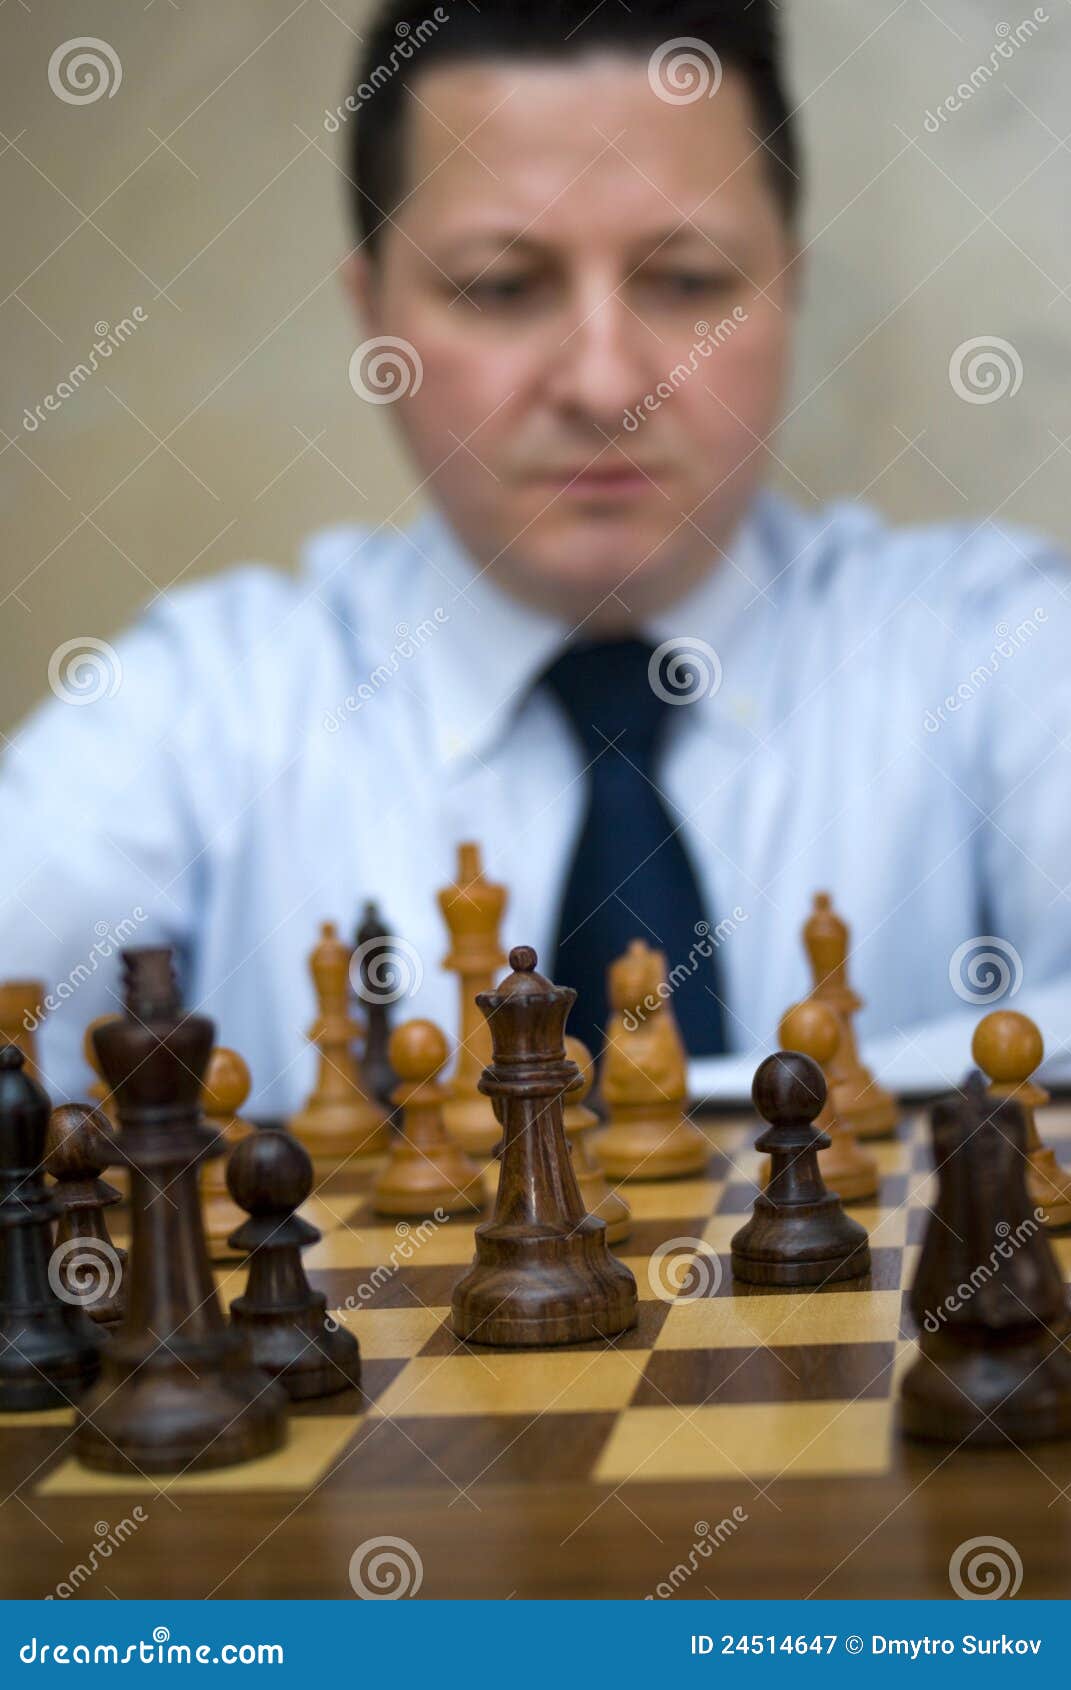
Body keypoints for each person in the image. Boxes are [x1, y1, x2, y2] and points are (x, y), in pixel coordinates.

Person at [3, 0, 1070, 1115]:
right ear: (373, 319)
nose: (606, 384)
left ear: (789, 286)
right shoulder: (195, 706)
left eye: (689, 280)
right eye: (502, 288)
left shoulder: (1004, 651)